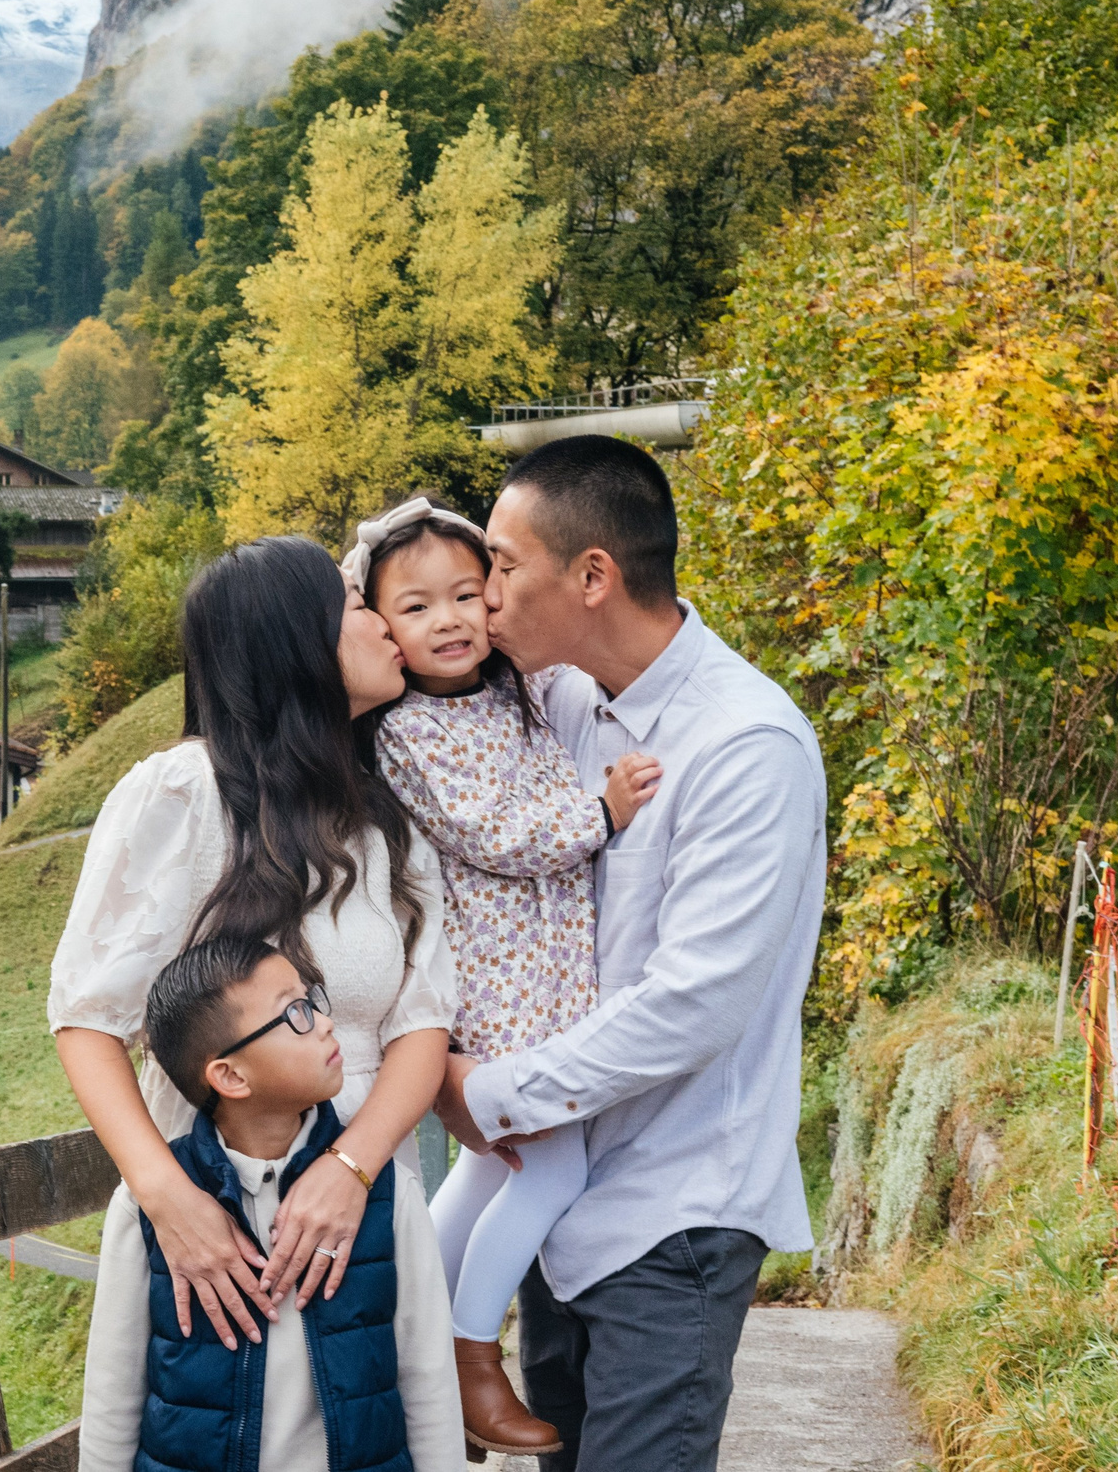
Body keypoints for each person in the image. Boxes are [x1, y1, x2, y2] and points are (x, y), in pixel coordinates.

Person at [433, 435, 827, 1471]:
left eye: (503, 569)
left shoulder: (747, 746)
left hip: (672, 1209)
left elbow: (693, 1001)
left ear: (593, 575)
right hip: (552, 1203)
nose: (482, 595)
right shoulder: (552, 703)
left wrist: (490, 1092)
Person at [49, 533, 457, 1357]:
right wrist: (168, 1198)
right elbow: (88, 1017)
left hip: (369, 1206)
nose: (384, 623)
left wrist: (350, 1171)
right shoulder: (185, 792)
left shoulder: (385, 823)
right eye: (354, 606)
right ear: (295, 643)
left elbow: (423, 1020)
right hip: (216, 1224)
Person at [344, 496, 659, 1459]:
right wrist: (599, 815)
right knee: (552, 1161)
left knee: (495, 1162)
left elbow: (595, 635)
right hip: (494, 975)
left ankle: (418, 1349)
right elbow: (497, 832)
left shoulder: (512, 684)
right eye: (415, 607)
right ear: (380, 629)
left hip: (546, 964)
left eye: (468, 595)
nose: (448, 621)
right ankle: (473, 1351)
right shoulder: (405, 731)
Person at [79, 935, 464, 1472]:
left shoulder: (388, 1193)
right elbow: (112, 1394)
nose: (326, 1022)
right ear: (231, 1076)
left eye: (313, 1000)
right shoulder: (148, 1208)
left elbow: (429, 1379)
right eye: (296, 1013)